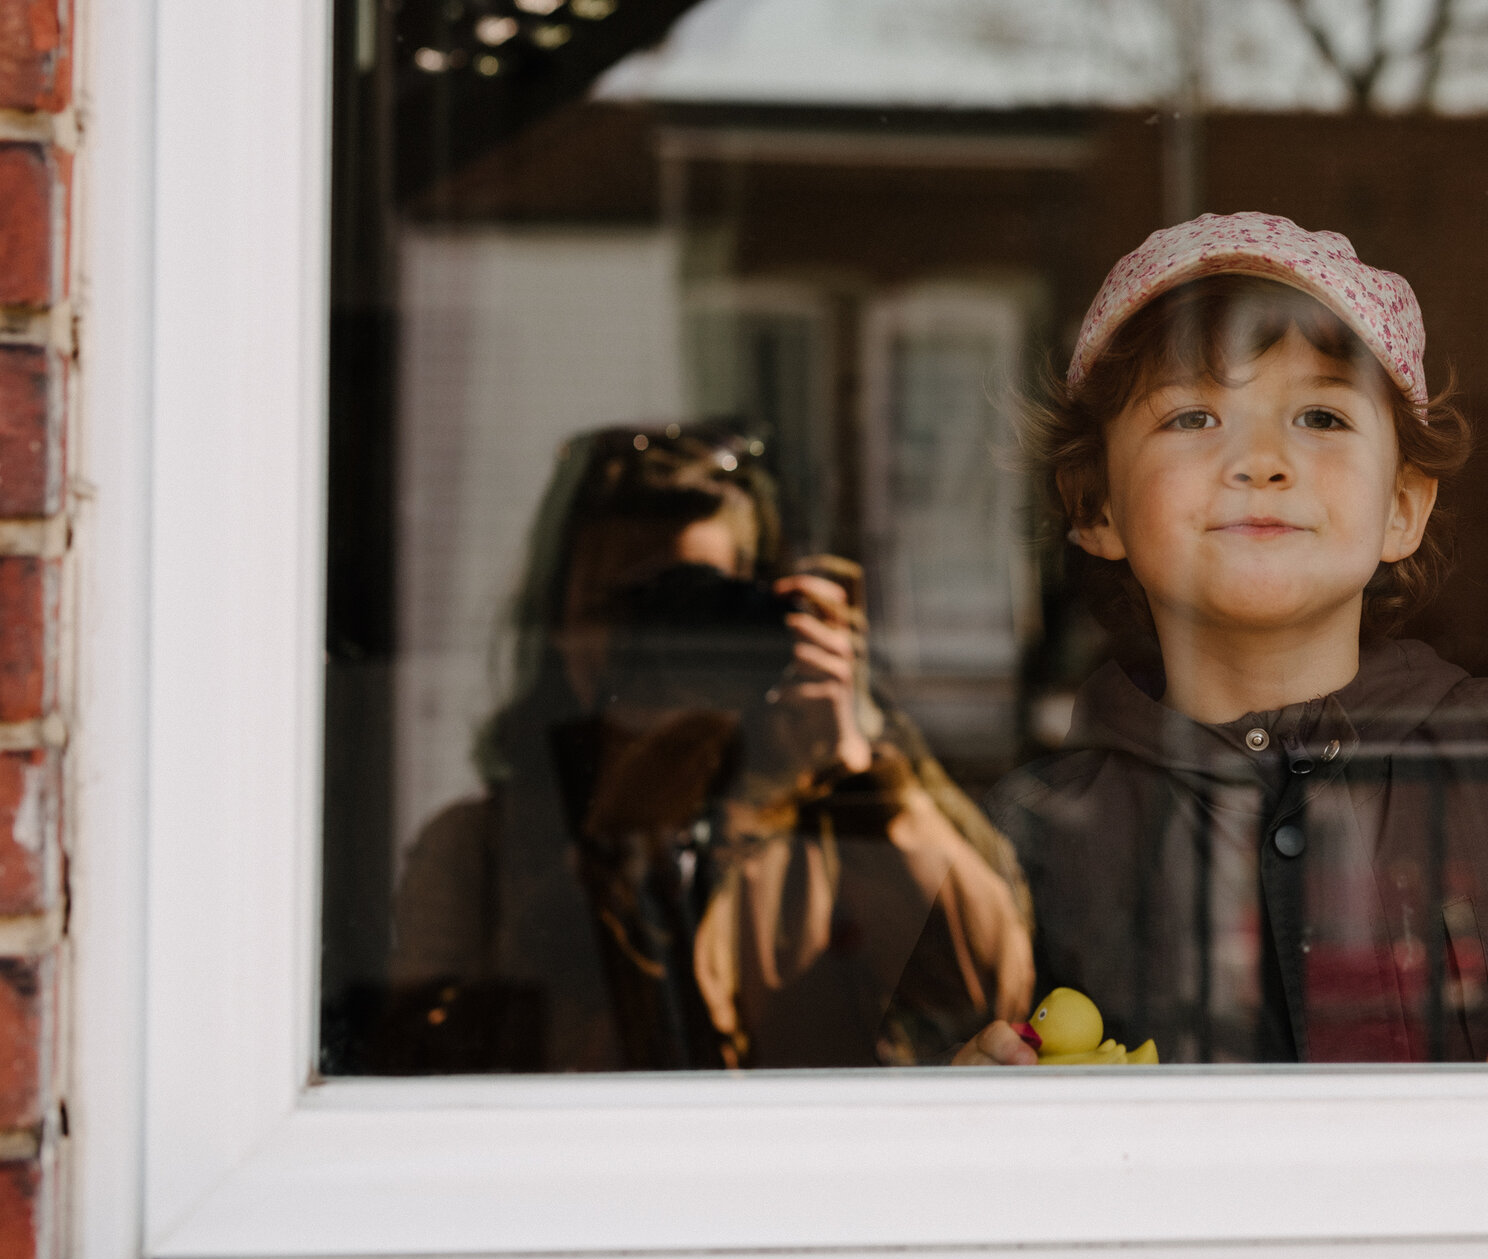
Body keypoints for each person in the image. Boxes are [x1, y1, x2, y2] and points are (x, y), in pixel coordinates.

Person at [959, 213, 1488, 1066]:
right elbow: (887, 1069)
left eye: (1322, 418)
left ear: (1403, 507)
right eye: (1191, 417)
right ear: (1096, 506)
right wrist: (963, 1092)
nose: (1261, 459)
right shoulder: (1027, 834)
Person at [383, 423, 1033, 1073]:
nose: (665, 642)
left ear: (759, 613)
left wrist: (855, 773)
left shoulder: (830, 839)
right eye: (627, 608)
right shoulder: (477, 852)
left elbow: (993, 995)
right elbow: (428, 1080)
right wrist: (606, 858)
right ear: (558, 625)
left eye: (701, 604)